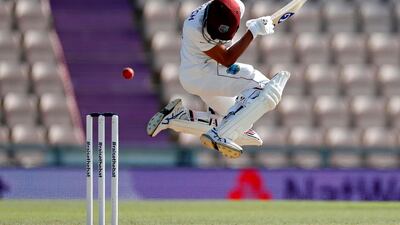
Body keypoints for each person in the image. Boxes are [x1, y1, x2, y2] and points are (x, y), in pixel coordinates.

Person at [147, 0, 290, 159]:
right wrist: (253, 31)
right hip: (203, 73)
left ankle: (176, 118)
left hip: (202, 74)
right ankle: (222, 134)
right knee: (265, 88)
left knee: (243, 128)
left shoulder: (236, 7)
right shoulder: (194, 27)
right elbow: (227, 59)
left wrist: (259, 26)